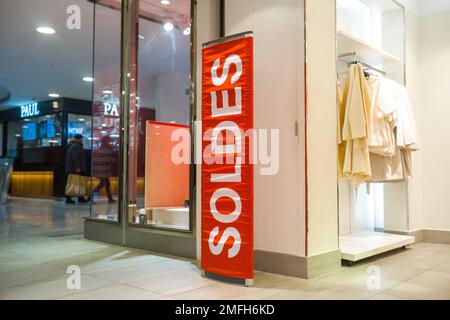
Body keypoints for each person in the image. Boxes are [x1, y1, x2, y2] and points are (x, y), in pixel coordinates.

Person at [91, 135, 116, 203]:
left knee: (107, 184)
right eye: (109, 140)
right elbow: (109, 159)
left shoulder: (101, 148)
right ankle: (91, 196)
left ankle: (110, 198)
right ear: (107, 141)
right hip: (104, 170)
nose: (110, 141)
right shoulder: (106, 148)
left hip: (102, 170)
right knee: (103, 184)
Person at [65, 134, 88, 204]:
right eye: (81, 139)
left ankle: (79, 197)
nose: (82, 140)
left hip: (72, 168)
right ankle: (72, 198)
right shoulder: (77, 146)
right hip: (75, 168)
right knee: (77, 183)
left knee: (73, 183)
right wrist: (78, 167)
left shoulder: (73, 145)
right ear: (78, 139)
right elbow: (75, 158)